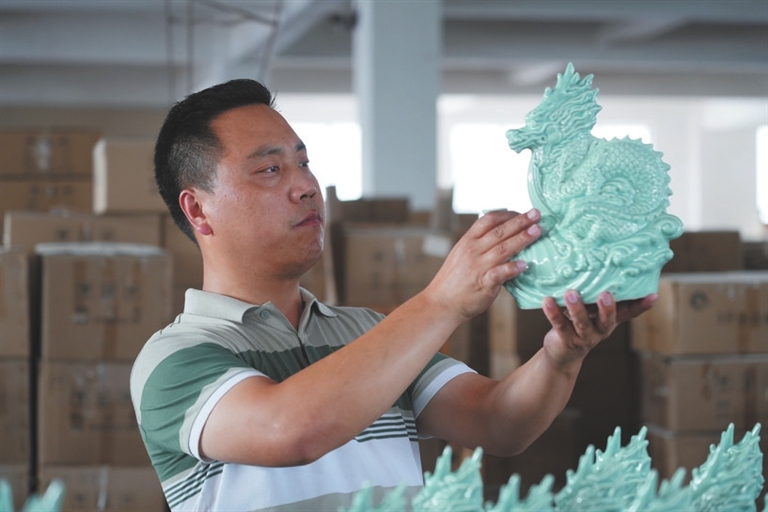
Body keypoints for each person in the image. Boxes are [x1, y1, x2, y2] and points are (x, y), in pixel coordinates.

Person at [130, 79, 655, 512]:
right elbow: (289, 430)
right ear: (198, 210)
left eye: (304, 163)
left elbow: (498, 422)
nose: (306, 186)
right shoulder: (175, 360)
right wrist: (441, 301)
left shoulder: (367, 332)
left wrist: (561, 355)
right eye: (270, 169)